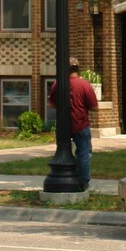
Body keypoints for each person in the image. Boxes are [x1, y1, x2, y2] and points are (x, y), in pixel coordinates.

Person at [48, 57, 99, 189]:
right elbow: (94, 107)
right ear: (78, 69)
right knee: (84, 154)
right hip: (81, 125)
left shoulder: (57, 84)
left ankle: (67, 178)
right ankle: (83, 183)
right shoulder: (85, 85)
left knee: (63, 153)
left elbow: (52, 105)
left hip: (64, 126)